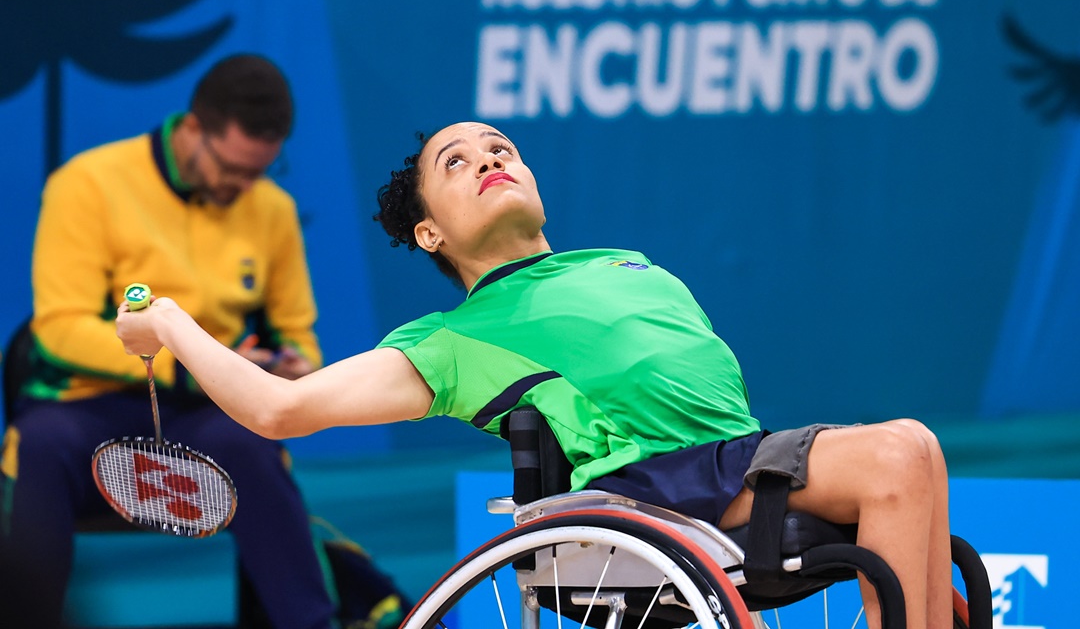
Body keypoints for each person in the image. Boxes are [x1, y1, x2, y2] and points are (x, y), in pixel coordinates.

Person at [114, 121, 955, 629]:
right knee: (899, 453)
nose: (488, 160)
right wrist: (173, 324)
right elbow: (279, 408)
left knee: (915, 462)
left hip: (738, 459)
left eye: (500, 148)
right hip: (654, 494)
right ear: (431, 236)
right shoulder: (447, 340)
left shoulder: (630, 263)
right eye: (457, 164)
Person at [0, 55, 337, 628]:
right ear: (192, 130)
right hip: (87, 406)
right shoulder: (87, 184)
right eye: (232, 168)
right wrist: (187, 362)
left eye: (259, 172)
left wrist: (295, 367)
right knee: (39, 444)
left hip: (203, 413)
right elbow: (59, 330)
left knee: (254, 451)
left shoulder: (272, 210)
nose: (243, 186)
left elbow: (297, 335)